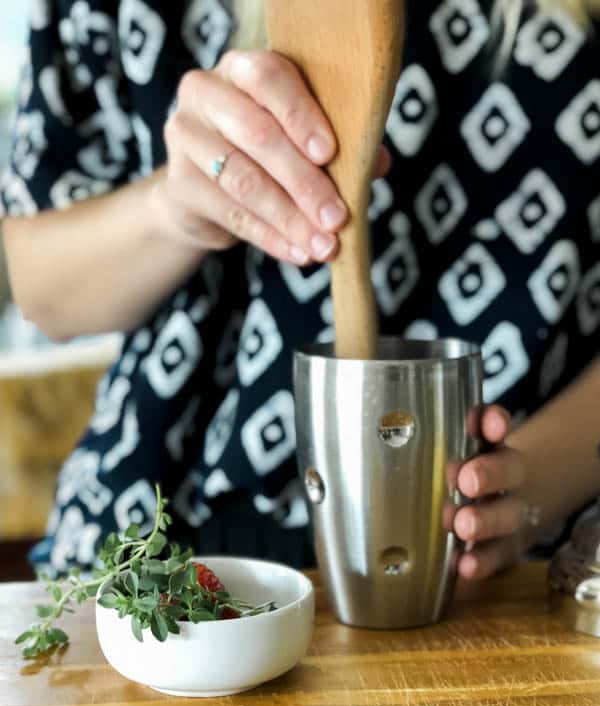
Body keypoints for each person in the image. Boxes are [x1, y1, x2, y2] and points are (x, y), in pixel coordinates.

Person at [1, 0, 599, 581]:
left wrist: (553, 471)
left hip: (543, 557)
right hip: (163, 525)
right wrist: (174, 208)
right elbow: (44, 293)